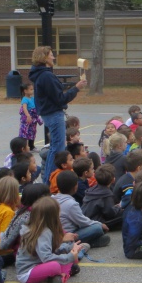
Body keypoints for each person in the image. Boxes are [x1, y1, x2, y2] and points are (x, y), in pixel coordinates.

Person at [28, 46, 86, 187]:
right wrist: (76, 88)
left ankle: (49, 178)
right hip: (54, 114)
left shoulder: (40, 75)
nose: (53, 57)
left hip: (49, 113)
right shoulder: (46, 76)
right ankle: (51, 180)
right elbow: (60, 99)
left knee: (55, 146)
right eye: (51, 55)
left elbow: (54, 95)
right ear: (44, 58)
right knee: (58, 149)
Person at [15, 197, 84, 283]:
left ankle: (56, 276)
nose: (60, 214)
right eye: (58, 212)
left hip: (39, 264)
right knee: (55, 266)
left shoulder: (40, 228)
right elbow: (46, 258)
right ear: (52, 216)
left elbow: (51, 249)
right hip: (27, 273)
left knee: (68, 259)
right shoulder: (44, 232)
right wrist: (70, 256)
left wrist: (69, 248)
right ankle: (58, 275)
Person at [53, 171, 111, 248]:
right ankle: (87, 243)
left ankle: (91, 242)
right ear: (75, 187)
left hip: (55, 235)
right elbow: (83, 222)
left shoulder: (52, 198)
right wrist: (100, 224)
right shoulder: (71, 204)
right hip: (69, 235)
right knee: (97, 228)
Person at [0, 183, 52, 254]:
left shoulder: (22, 211)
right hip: (26, 255)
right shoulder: (25, 216)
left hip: (41, 251)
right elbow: (5, 243)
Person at [19, 83, 43, 151]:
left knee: (32, 132)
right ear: (25, 91)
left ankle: (31, 146)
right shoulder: (24, 99)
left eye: (33, 89)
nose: (32, 91)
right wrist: (28, 115)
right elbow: (24, 108)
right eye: (31, 89)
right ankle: (24, 147)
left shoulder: (33, 98)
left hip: (33, 119)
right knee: (25, 132)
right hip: (27, 118)